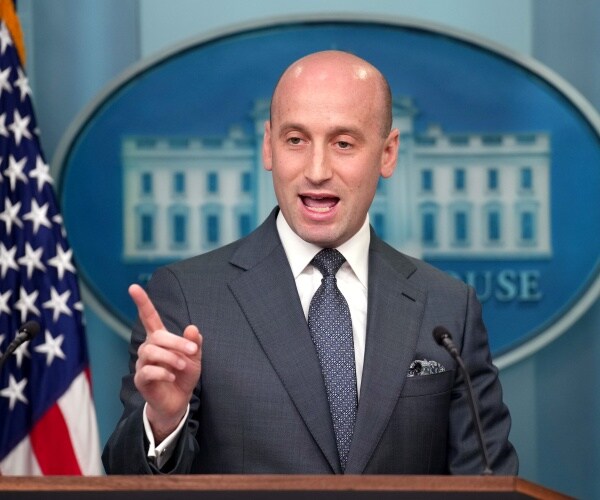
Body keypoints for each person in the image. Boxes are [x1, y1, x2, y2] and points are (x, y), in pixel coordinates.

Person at [102, 50, 518, 475]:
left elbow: (490, 481)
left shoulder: (449, 307)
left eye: (343, 143)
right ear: (269, 146)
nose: (317, 170)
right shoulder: (188, 297)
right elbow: (125, 481)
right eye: (296, 140)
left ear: (388, 153)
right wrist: (164, 423)